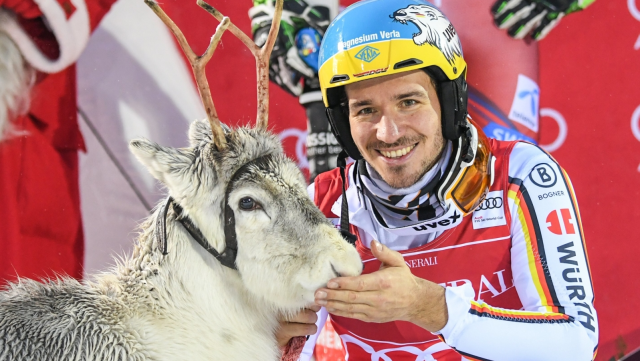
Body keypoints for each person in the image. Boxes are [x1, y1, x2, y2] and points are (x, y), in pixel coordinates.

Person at [275, 0, 598, 360]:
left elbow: (575, 344)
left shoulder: (519, 176)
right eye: (365, 110)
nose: (389, 132)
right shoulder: (320, 205)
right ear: (341, 123)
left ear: (449, 101)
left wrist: (428, 307)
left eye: (409, 102)